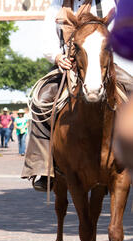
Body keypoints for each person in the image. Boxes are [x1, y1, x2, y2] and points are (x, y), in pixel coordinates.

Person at [21, 0, 132, 192]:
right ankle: (42, 166)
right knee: (40, 101)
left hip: (101, 64)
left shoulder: (105, 3)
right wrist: (57, 57)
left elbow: (115, 35)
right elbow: (47, 39)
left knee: (130, 90)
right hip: (66, 64)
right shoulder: (57, 5)